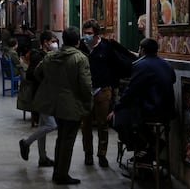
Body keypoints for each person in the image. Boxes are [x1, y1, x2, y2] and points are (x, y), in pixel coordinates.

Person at [32, 27, 92, 185]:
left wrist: (50, 85)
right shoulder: (80, 58)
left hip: (54, 103)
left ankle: (58, 171)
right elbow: (85, 85)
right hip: (72, 104)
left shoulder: (51, 56)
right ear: (78, 41)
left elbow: (37, 73)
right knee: (68, 140)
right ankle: (61, 174)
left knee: (61, 138)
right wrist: (87, 102)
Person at [110, 38, 176, 161]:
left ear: (142, 50)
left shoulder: (141, 65)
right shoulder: (166, 64)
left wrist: (116, 107)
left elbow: (131, 91)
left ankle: (143, 148)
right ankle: (149, 145)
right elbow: (173, 80)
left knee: (119, 119)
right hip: (169, 110)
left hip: (153, 109)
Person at [81, 18, 118, 167]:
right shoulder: (82, 47)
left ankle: (102, 154)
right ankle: (88, 154)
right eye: (85, 33)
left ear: (96, 34)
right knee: (86, 125)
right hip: (85, 90)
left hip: (102, 89)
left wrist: (114, 90)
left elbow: (113, 67)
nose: (86, 36)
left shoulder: (106, 47)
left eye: (89, 33)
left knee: (103, 124)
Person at [18, 30, 58, 167]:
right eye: (53, 41)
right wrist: (43, 79)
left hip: (48, 94)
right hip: (41, 95)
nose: (55, 44)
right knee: (51, 125)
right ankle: (26, 143)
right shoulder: (38, 56)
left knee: (43, 125)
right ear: (45, 42)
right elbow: (30, 74)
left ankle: (42, 157)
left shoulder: (51, 55)